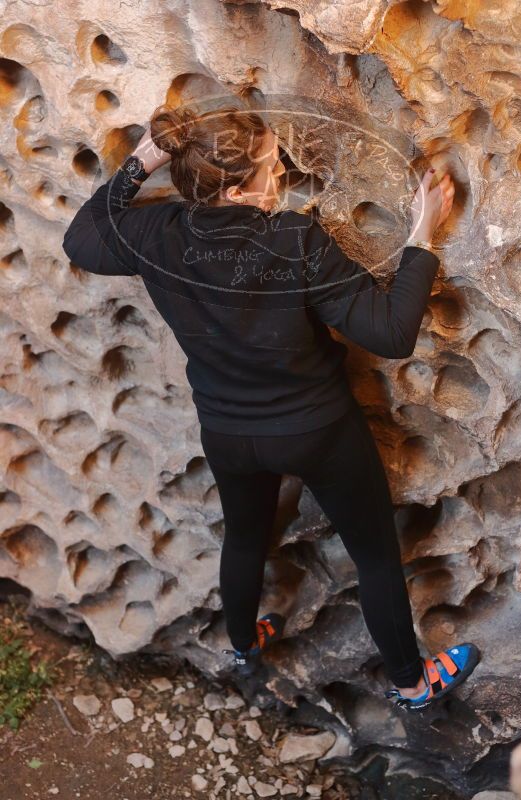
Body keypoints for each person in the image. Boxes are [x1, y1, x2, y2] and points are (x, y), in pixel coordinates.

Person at [62, 103, 480, 711]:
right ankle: (413, 685)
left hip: (228, 432)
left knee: (245, 537)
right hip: (318, 430)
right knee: (373, 554)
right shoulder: (294, 240)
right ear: (235, 189)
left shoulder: (156, 234)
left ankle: (242, 645)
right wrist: (422, 235)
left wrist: (143, 160)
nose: (281, 171)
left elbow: (81, 238)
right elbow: (391, 335)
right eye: (270, 167)